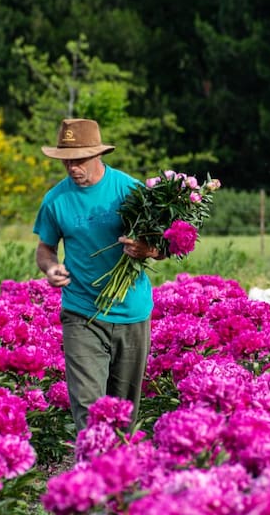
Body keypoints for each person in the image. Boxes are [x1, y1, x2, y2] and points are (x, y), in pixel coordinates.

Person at [33, 118, 163, 434]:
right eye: (67, 161)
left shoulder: (129, 190)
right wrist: (50, 268)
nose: (72, 168)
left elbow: (162, 246)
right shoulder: (56, 199)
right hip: (81, 312)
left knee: (123, 414)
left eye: (79, 160)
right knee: (89, 409)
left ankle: (119, 479)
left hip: (131, 312)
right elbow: (45, 248)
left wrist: (146, 249)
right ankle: (90, 477)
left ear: (97, 155)